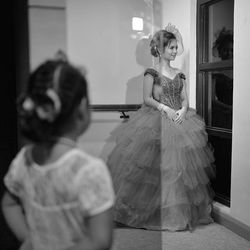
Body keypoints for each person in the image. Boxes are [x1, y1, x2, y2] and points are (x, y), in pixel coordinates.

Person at [107, 23, 215, 231]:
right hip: (157, 120)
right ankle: (150, 215)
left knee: (179, 171)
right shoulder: (152, 73)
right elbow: (147, 99)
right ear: (161, 49)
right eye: (171, 48)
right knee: (153, 171)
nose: (175, 52)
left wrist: (183, 111)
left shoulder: (179, 73)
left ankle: (176, 215)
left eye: (176, 47)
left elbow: (185, 100)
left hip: (180, 121)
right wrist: (165, 108)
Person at [1, 58, 115, 250]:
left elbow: (9, 204)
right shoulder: (89, 170)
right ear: (82, 109)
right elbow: (100, 240)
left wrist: (29, 240)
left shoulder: (24, 160)